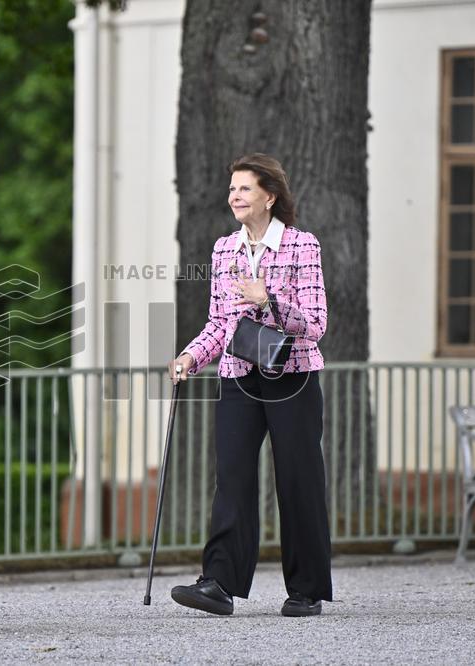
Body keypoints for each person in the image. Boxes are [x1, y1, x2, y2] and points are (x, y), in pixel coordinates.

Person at [167, 153, 332, 617]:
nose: (234, 196)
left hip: (293, 376)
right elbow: (219, 323)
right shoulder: (224, 250)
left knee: (298, 480)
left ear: (269, 197)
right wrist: (190, 356)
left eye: (244, 189)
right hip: (238, 376)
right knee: (232, 479)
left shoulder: (301, 245)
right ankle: (219, 583)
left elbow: (316, 324)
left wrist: (269, 299)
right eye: (232, 189)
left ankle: (306, 590)